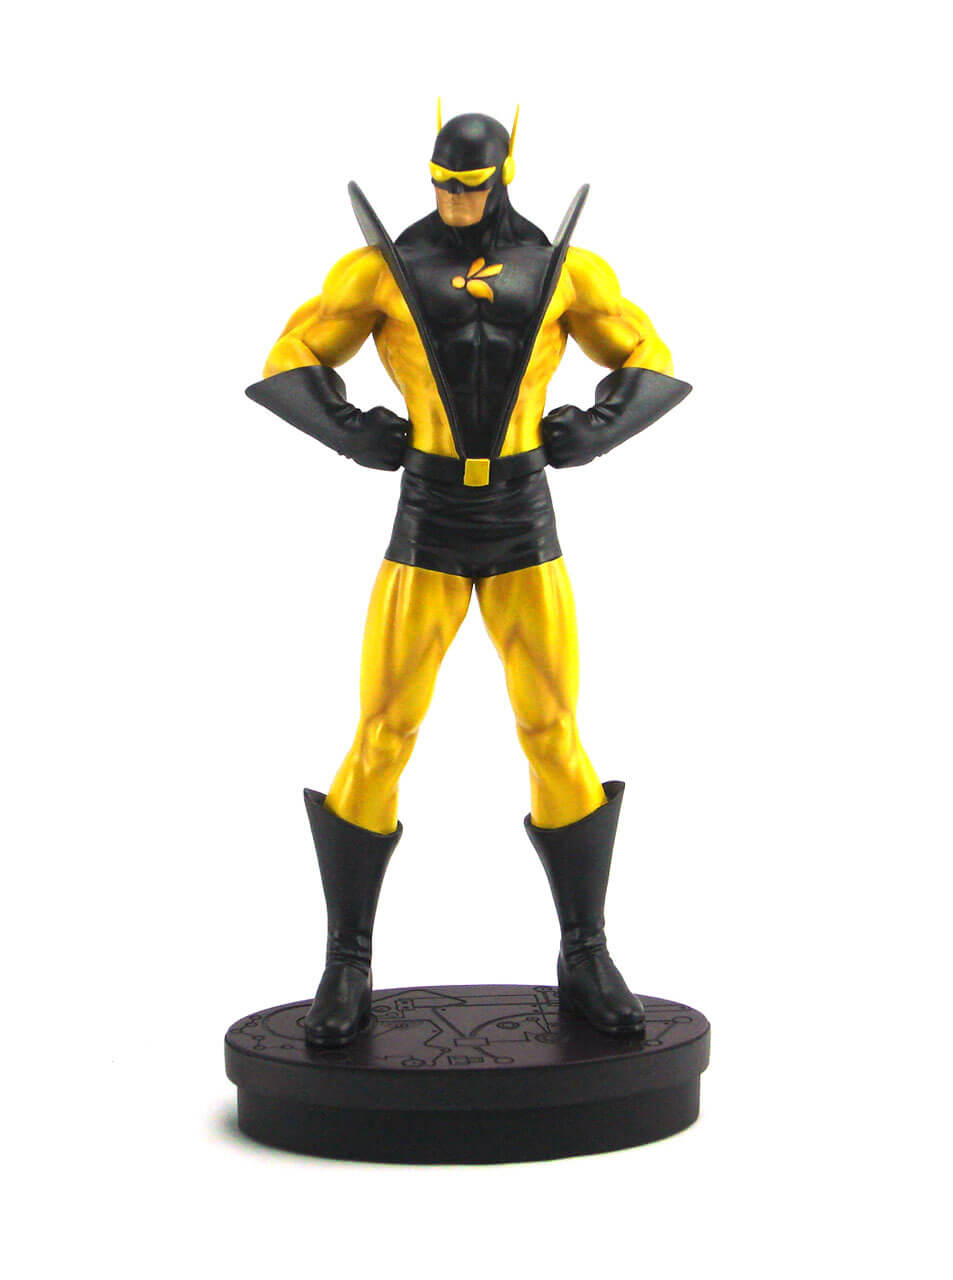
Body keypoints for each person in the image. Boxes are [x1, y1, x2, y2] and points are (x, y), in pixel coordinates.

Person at [246, 107, 691, 1046]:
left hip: (523, 514)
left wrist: (603, 425)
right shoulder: (381, 271)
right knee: (384, 731)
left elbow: (646, 353)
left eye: (470, 185)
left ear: (504, 175)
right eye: (442, 183)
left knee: (551, 730)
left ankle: (585, 953)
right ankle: (346, 962)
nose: (454, 200)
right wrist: (347, 428)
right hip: (430, 515)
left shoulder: (565, 271)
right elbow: (291, 355)